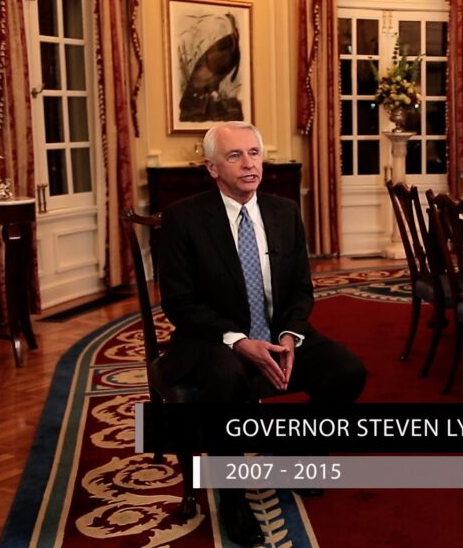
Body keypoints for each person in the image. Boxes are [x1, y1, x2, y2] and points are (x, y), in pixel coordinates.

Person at [157, 121, 367, 547]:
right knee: (226, 380)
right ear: (212, 168)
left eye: (254, 153)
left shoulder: (284, 211)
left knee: (347, 371)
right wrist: (238, 341)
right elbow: (179, 303)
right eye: (235, 156)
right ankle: (232, 497)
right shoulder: (183, 218)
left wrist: (289, 335)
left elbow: (301, 289)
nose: (249, 164)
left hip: (275, 332)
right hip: (212, 337)